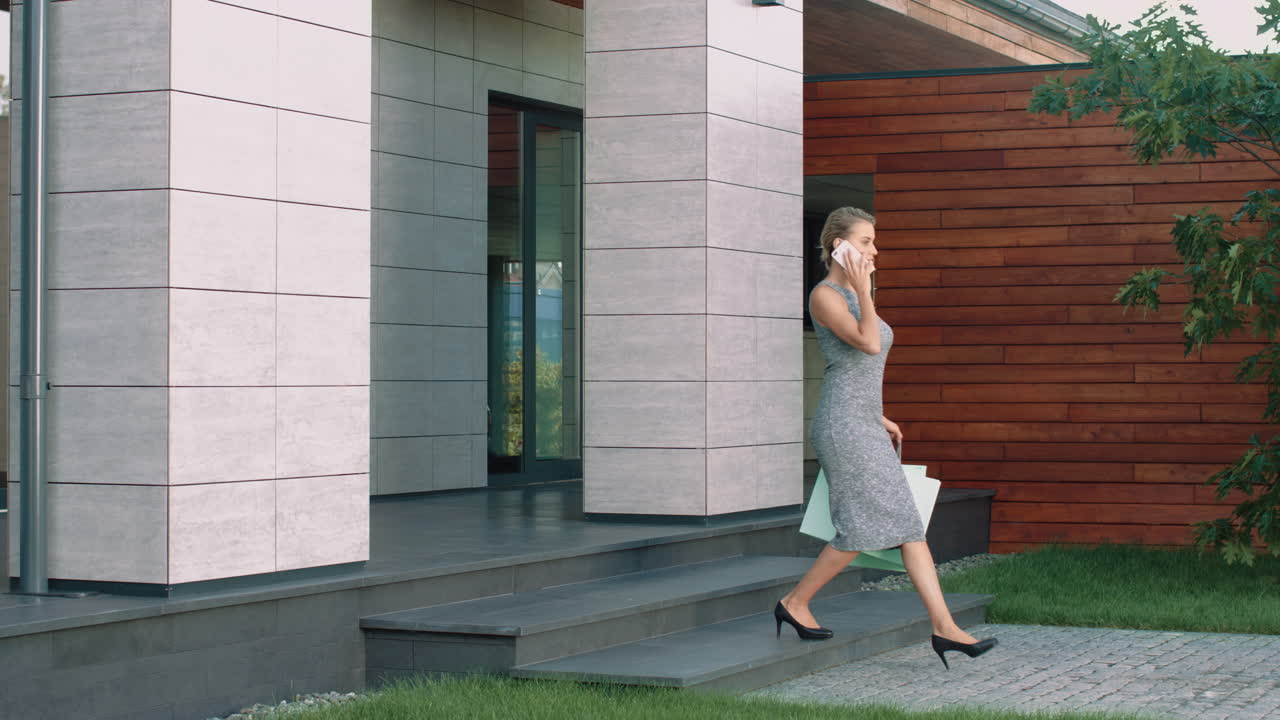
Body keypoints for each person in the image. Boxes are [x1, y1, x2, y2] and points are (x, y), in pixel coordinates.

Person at [773, 206, 997, 670]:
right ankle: (795, 602)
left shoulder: (852, 293)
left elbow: (863, 366)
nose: (875, 250)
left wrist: (877, 414)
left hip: (861, 419)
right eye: (867, 241)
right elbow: (868, 343)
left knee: (908, 527)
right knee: (860, 530)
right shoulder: (826, 296)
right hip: (841, 425)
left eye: (875, 241)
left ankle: (944, 628)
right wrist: (864, 291)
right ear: (839, 244)